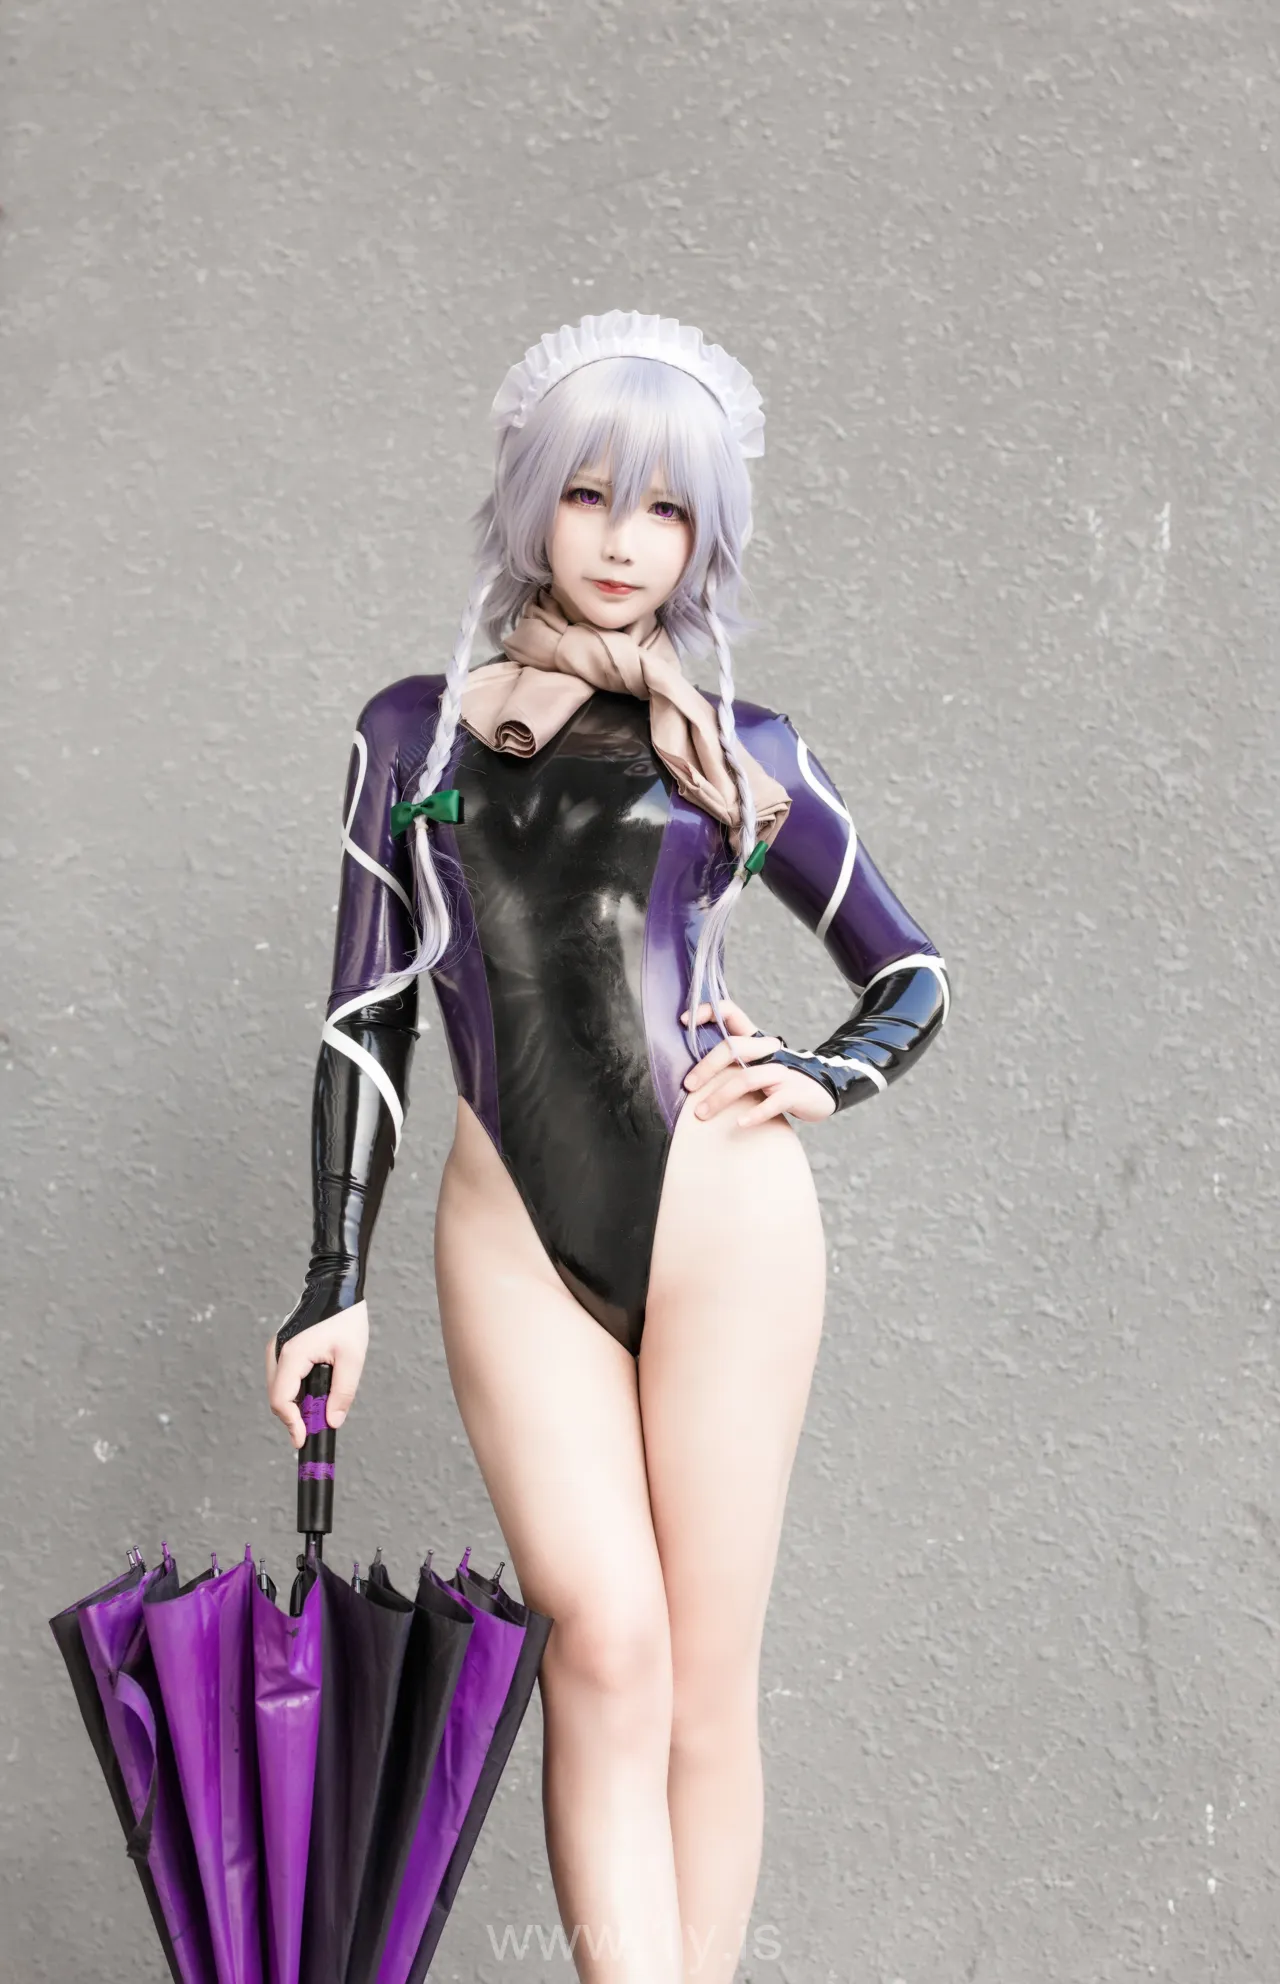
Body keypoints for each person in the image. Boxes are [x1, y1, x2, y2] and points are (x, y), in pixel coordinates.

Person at [264, 310, 951, 1983]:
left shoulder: (747, 748)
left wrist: (829, 1073)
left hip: (729, 1224)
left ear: (709, 530)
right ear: (531, 501)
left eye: (667, 508)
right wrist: (332, 1277)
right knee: (604, 1643)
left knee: (704, 1679)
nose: (626, 541)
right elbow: (368, 1015)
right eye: (589, 495)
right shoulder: (415, 732)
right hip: (510, 1236)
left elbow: (912, 970)